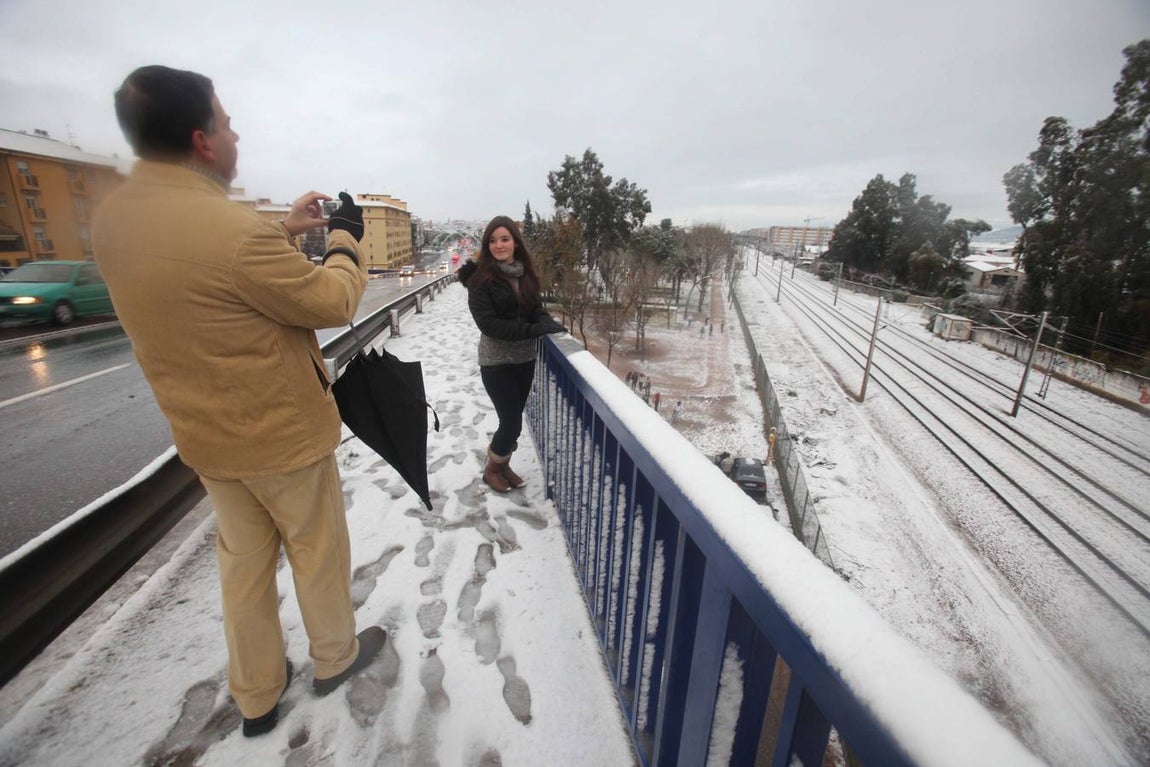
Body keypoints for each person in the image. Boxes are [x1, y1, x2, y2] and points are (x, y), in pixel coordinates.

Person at [92, 65, 385, 738]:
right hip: (283, 437)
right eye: (226, 122)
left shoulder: (115, 221)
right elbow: (334, 300)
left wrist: (280, 230)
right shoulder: (230, 232)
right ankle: (335, 658)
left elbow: (201, 275)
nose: (235, 132)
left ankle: (256, 695)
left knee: (243, 569)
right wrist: (343, 236)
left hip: (208, 443)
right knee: (316, 551)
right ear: (201, 140)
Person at [457, 215, 565, 492]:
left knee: (514, 419)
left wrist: (545, 321)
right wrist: (532, 329)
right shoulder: (480, 280)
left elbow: (533, 307)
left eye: (505, 239)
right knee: (512, 422)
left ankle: (503, 464)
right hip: (496, 362)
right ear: (487, 245)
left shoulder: (525, 274)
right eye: (493, 241)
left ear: (515, 242)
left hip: (524, 359)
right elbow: (489, 325)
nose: (499, 245)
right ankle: (492, 468)